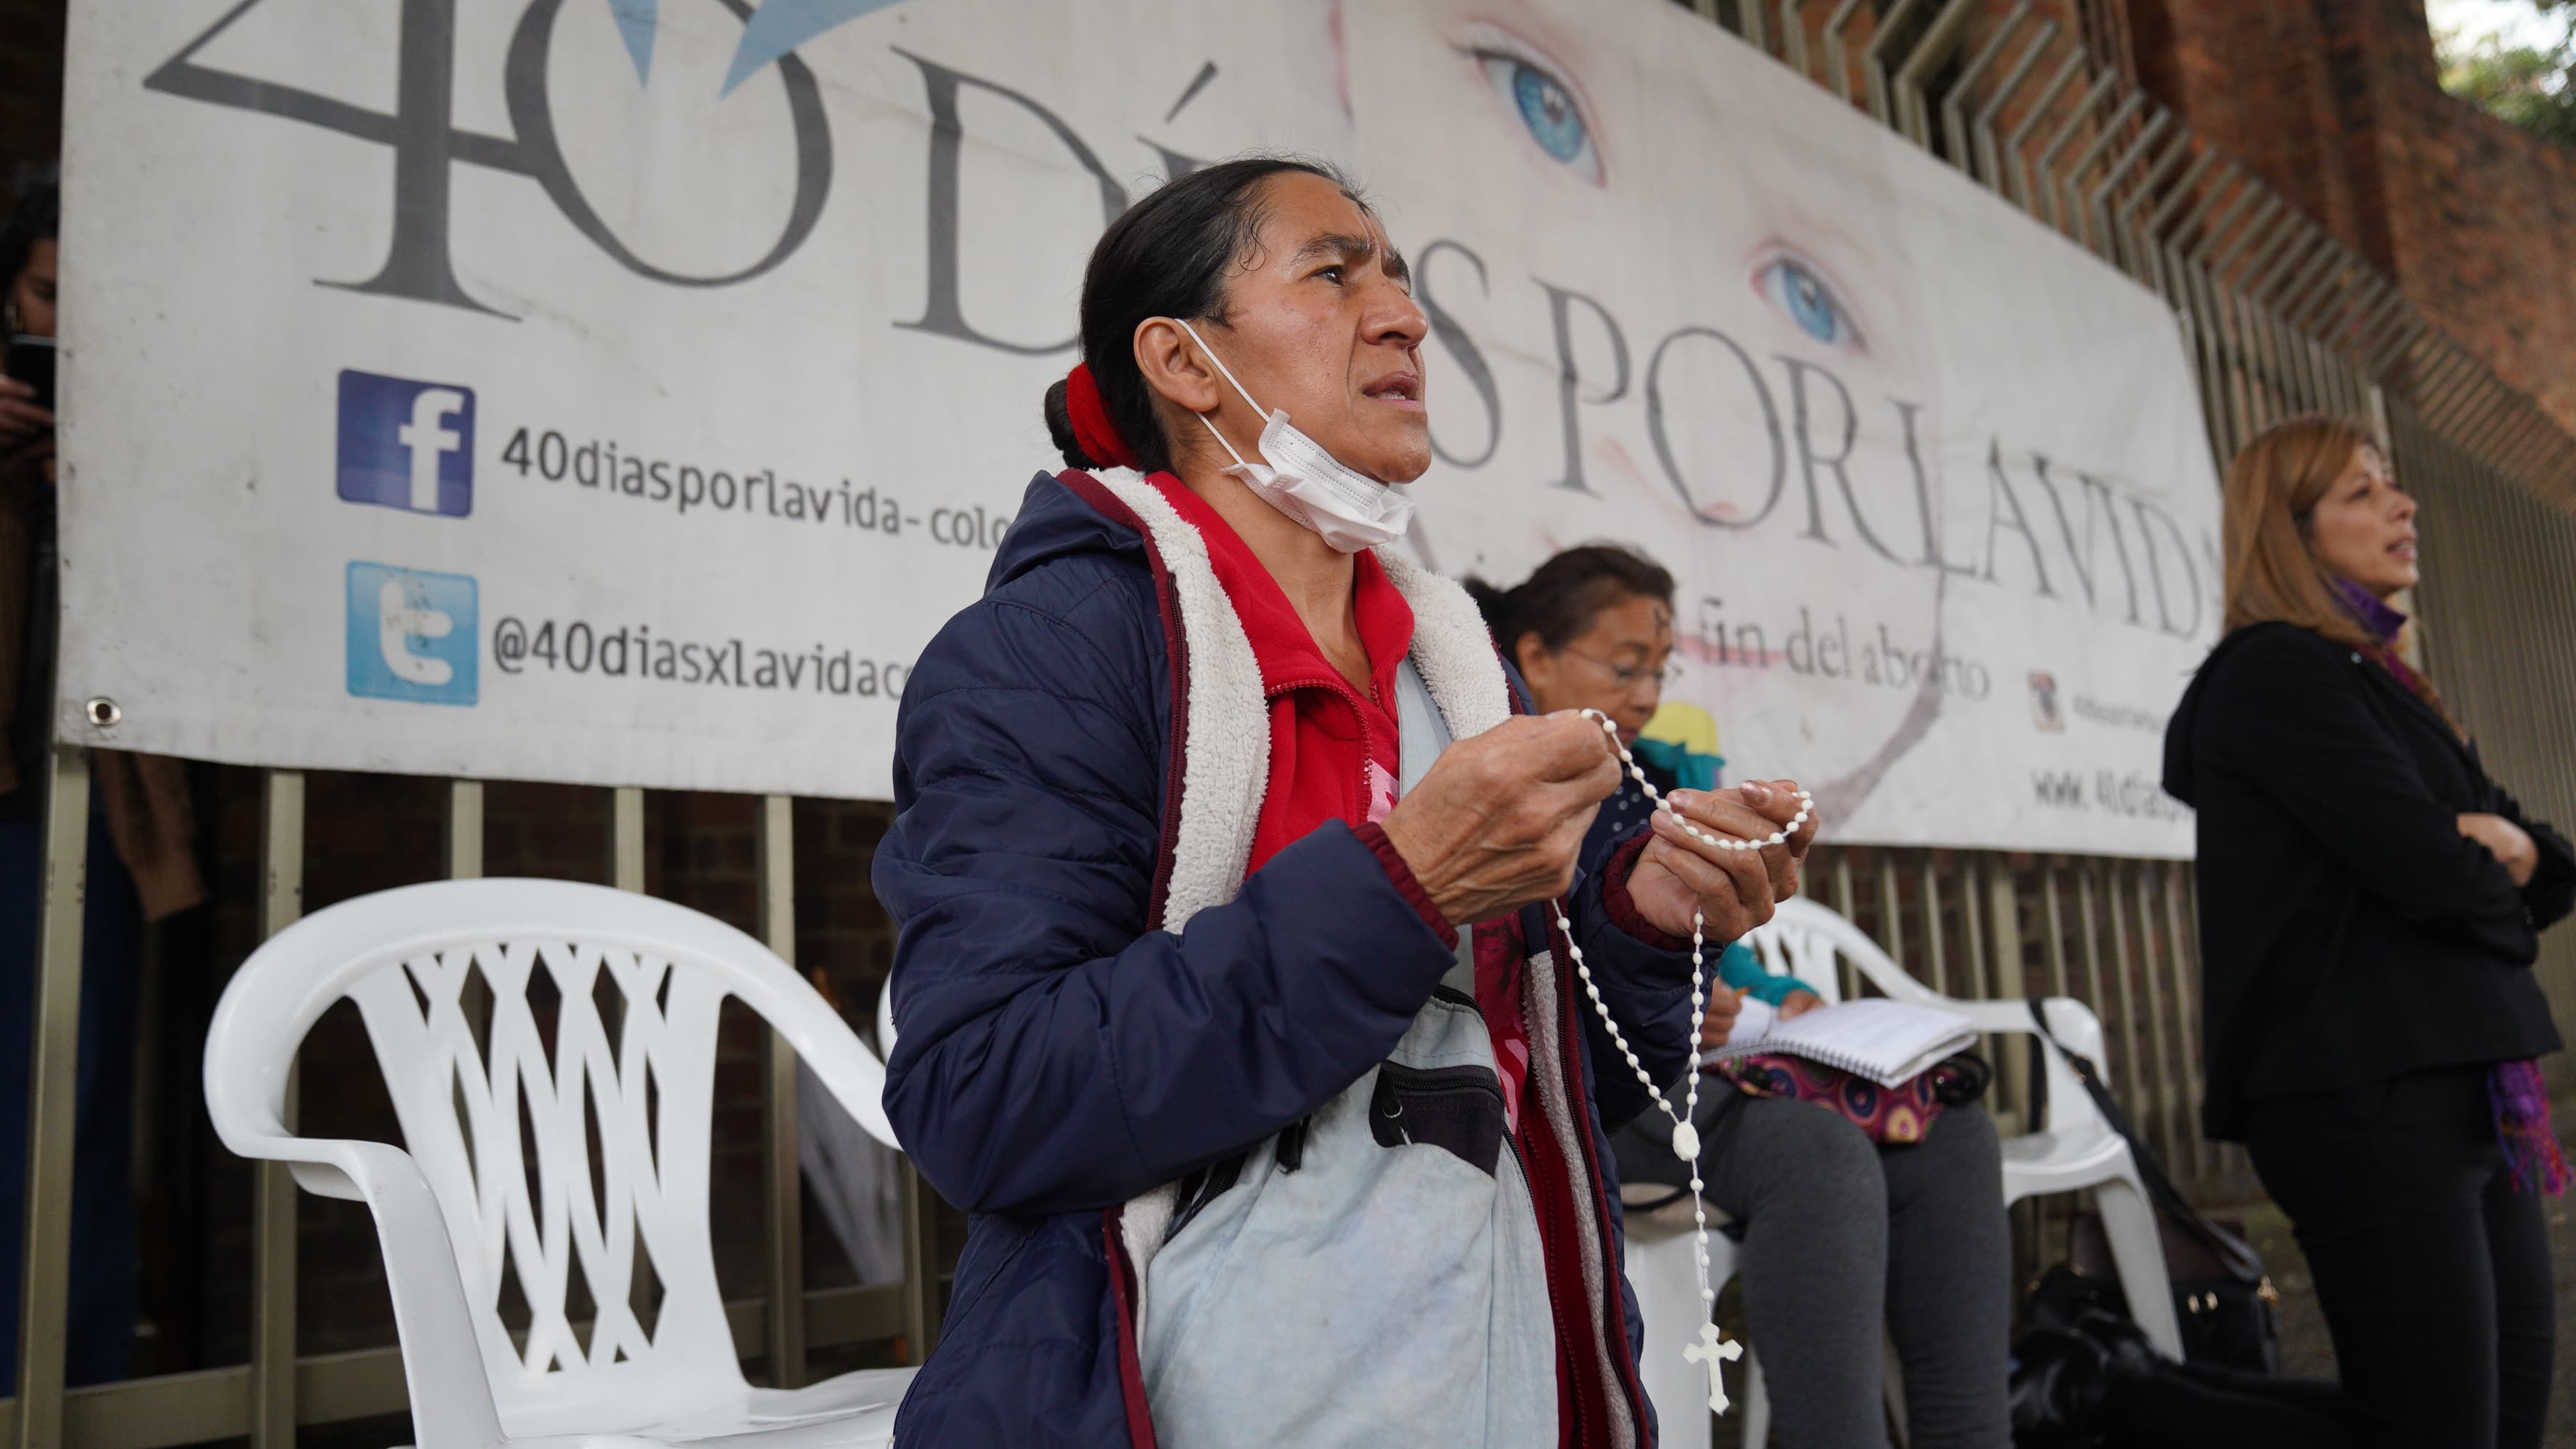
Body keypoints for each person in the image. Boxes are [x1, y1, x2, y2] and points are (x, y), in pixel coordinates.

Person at [873, 156, 1820, 1446]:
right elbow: (983, 1101)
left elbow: (1559, 1097)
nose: (1404, 317)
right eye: (1331, 274)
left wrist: (1649, 920)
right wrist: (1399, 887)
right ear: (1183, 362)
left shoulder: (1458, 672)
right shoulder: (1051, 651)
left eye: (1399, 279)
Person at [1483, 545, 2013, 1449]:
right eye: (1623, 667)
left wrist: (1779, 996)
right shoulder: (1500, 778)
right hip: (1593, 1087)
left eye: (1659, 670)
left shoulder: (1660, 777)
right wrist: (1660, 994)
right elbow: (1508, 964)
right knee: (1815, 1151)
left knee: (1946, 1123)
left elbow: (1717, 946)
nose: (1646, 693)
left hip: (1711, 1066)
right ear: (1533, 656)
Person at [2161, 415, 2573, 1449]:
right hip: (2363, 1093)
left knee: (2501, 1423)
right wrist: (2487, 859)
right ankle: (2118, 1399)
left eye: (2391, 482)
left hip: (2472, 1080)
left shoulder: (2385, 682)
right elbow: (2431, 874)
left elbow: (2547, 866)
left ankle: (2115, 1392)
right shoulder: (2272, 675)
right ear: (2290, 531)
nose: (2403, 504)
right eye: (2362, 491)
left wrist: (2504, 852)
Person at [0, 179, 205, 1396]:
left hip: (77, 808)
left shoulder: (153, 421)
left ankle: (59, 1397)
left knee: (70, 1109)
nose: (65, 328)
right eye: (45, 296)